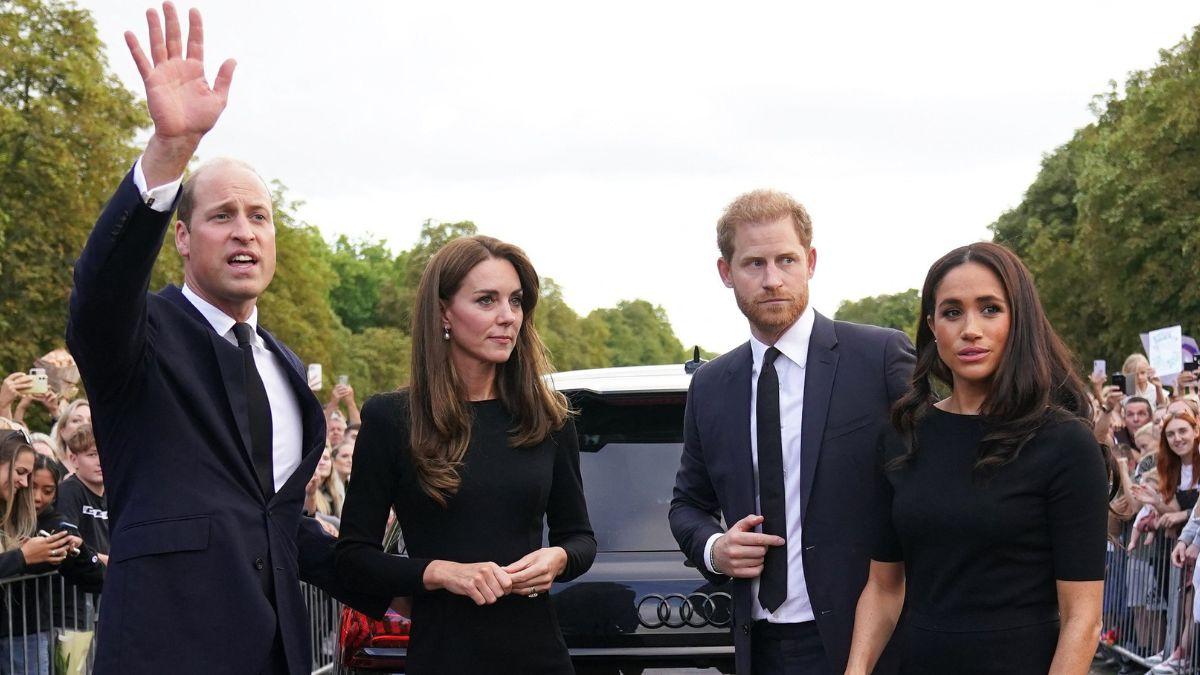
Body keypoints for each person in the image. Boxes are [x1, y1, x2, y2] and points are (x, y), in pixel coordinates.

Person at [65, 5, 386, 672]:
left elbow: (277, 527)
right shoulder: (139, 336)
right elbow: (99, 290)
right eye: (221, 215)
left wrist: (412, 584)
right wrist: (169, 153)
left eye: (259, 216)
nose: (244, 230)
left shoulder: (286, 367)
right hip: (165, 654)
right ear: (181, 237)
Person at [668, 189, 915, 675]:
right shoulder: (712, 386)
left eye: (786, 260)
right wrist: (715, 550)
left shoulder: (880, 358)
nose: (772, 280)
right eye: (754, 264)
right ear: (726, 272)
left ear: (811, 261)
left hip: (870, 644)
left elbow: (933, 484)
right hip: (758, 647)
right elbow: (687, 505)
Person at [845, 242, 1109, 674]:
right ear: (932, 327)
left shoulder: (1064, 443)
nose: (970, 328)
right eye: (952, 312)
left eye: (989, 309)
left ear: (1018, 320)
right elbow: (883, 588)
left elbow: (1083, 618)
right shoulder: (902, 435)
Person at [337, 235, 596, 673]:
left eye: (515, 302)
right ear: (443, 313)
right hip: (444, 657)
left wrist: (558, 559)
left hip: (539, 657)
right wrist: (441, 572)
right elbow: (352, 560)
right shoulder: (392, 419)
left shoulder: (549, 419)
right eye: (486, 300)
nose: (506, 317)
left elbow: (581, 539)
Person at [0, 431, 75, 674]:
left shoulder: (14, 511)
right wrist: (22, 557)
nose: (24, 484)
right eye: (20, 473)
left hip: (20, 631)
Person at [56, 426, 109, 564]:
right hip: (83, 580)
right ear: (74, 460)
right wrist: (113, 562)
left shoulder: (115, 491)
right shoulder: (68, 491)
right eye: (92, 454)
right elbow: (70, 545)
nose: (100, 462)